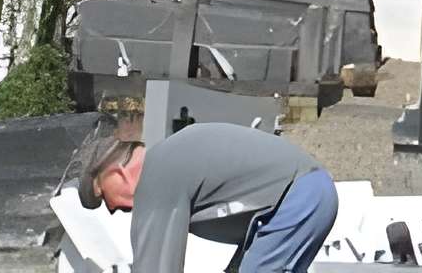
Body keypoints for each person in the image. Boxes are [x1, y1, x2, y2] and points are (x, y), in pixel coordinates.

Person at [81, 110, 338, 273]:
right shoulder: (169, 162)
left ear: (117, 174)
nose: (113, 210)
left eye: (104, 197)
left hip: (297, 198)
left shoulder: (155, 176)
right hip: (297, 198)